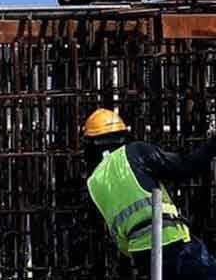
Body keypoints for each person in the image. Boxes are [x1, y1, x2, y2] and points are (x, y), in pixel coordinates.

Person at [83, 108, 216, 277]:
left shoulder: (93, 183)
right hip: (171, 240)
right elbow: (185, 167)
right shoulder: (135, 151)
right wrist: (212, 145)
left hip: (141, 254)